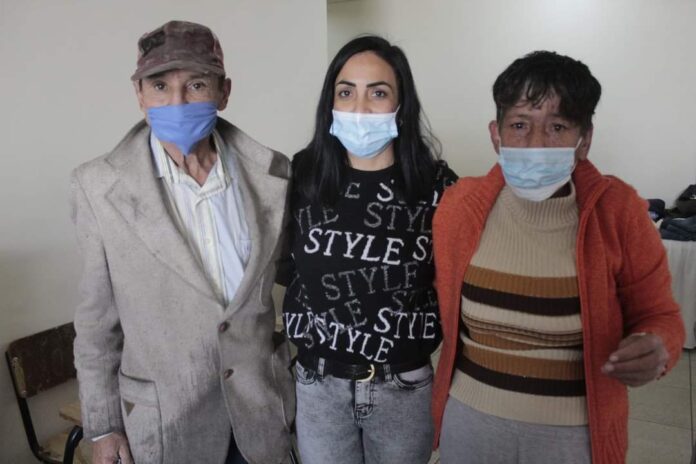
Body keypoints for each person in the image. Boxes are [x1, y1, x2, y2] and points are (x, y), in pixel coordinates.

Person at [431, 50, 685, 464]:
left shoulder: (618, 211)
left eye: (558, 127)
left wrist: (658, 347)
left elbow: (660, 315)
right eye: (519, 125)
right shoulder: (459, 207)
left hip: (573, 437)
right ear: (496, 134)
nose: (535, 144)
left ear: (585, 140)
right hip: (470, 424)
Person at [70, 20, 294, 464]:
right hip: (167, 423)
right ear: (139, 95)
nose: (177, 101)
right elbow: (96, 325)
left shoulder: (275, 174)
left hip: (262, 414)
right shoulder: (97, 187)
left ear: (223, 92)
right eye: (159, 86)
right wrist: (104, 427)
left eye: (196, 85)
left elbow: (298, 279)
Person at [277, 36, 457, 464]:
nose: (359, 108)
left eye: (377, 93)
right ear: (330, 103)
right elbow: (285, 269)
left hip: (404, 387)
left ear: (401, 105)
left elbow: (454, 287)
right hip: (319, 385)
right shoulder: (301, 177)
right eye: (346, 92)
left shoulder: (438, 187)